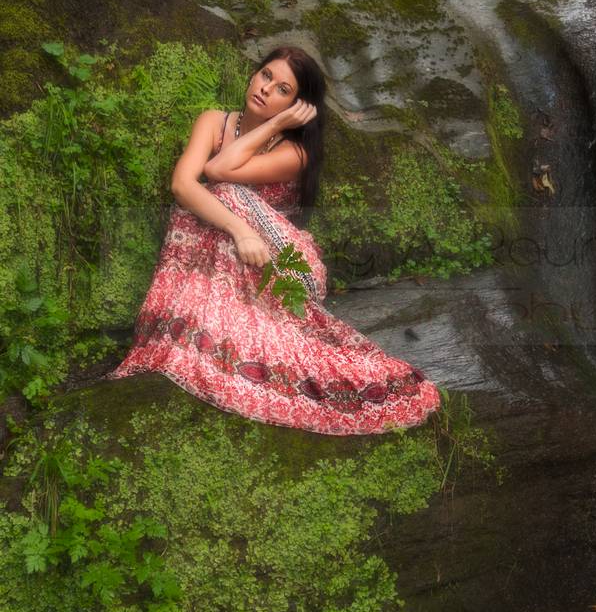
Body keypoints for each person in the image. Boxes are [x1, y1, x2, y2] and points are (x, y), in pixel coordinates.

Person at [105, 44, 442, 435]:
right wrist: (240, 229)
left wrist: (274, 125)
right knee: (196, 208)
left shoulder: (294, 152)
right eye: (266, 75)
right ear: (254, 74)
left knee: (223, 194)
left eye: (283, 90)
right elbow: (182, 185)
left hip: (281, 262)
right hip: (236, 243)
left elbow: (217, 170)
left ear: (296, 107)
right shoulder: (212, 121)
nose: (266, 89)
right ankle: (201, 328)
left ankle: (228, 336)